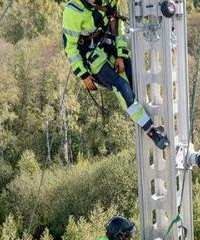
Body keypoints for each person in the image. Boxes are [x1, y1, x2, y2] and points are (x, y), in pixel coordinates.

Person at [62, 0, 169, 150]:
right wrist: (84, 75)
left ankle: (149, 119)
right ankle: (151, 131)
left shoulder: (108, 1)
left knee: (135, 77)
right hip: (94, 57)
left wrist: (121, 55)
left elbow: (117, 26)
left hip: (109, 45)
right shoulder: (73, 10)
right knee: (122, 88)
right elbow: (70, 49)